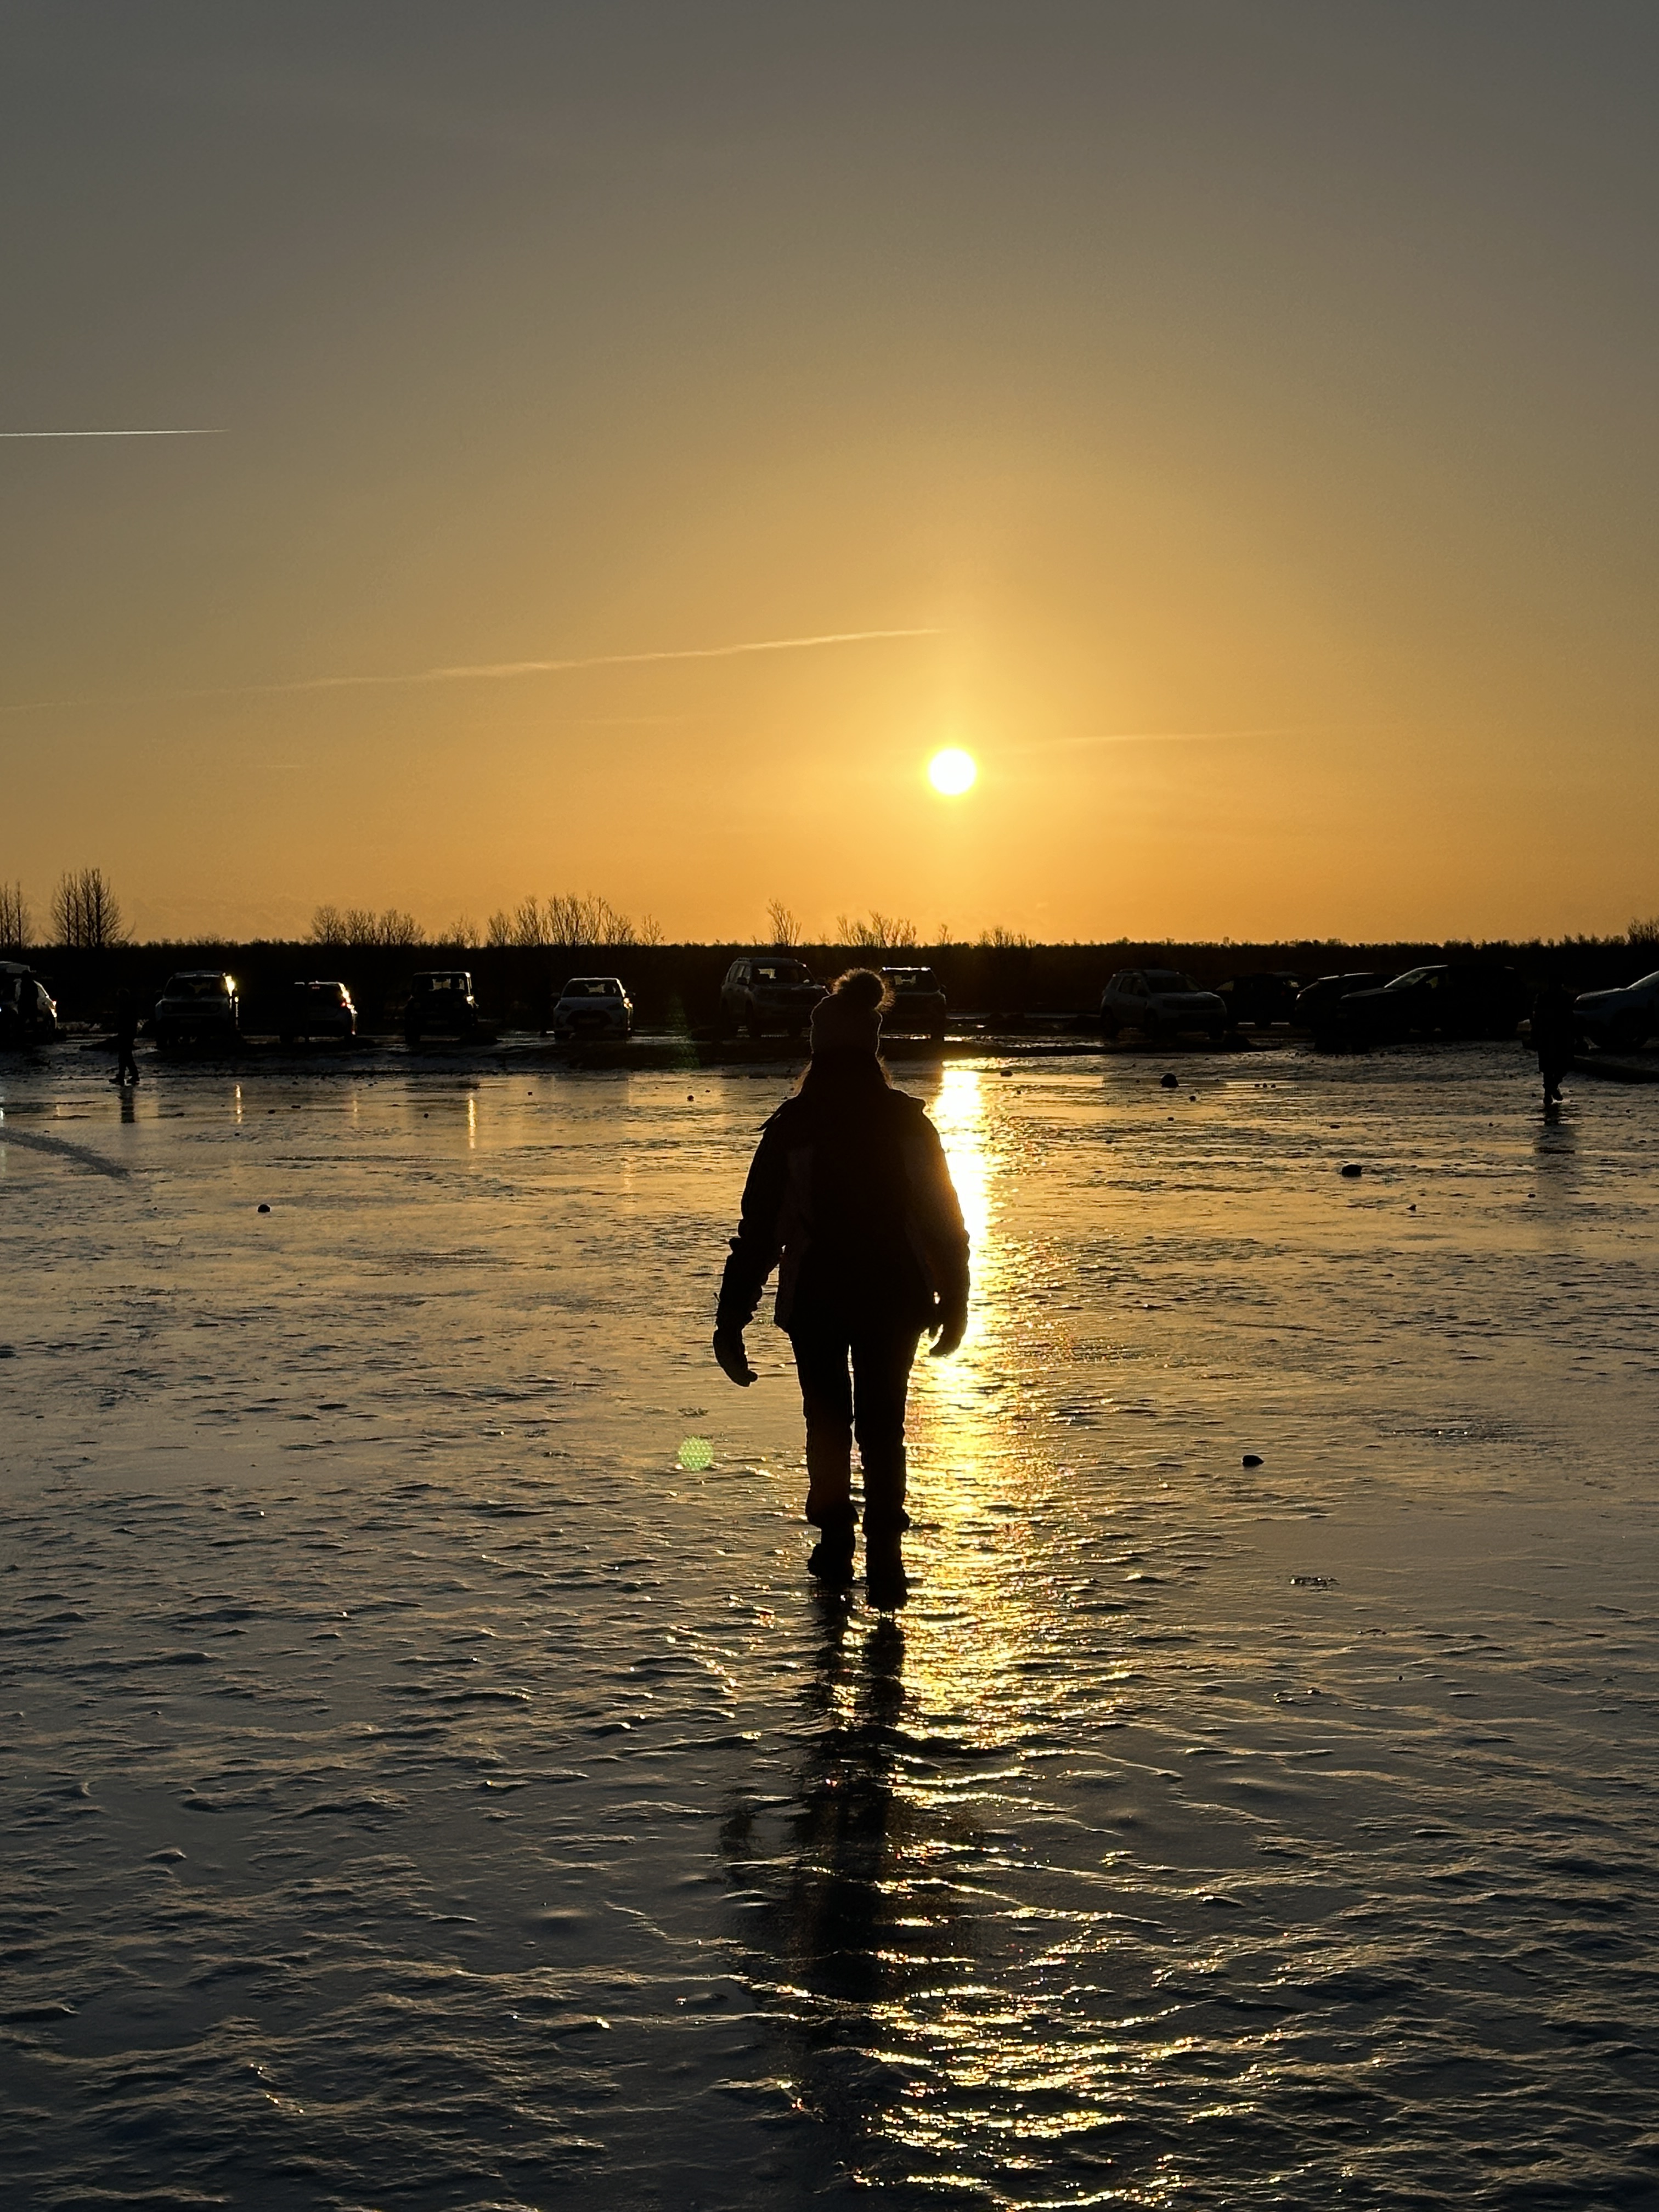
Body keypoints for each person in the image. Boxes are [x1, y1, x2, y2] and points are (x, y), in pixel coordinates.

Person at [713, 969, 969, 1606]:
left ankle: (835, 1544)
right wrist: (954, 1299)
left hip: (820, 1300)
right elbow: (945, 1224)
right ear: (870, 1049)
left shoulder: (793, 1126)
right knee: (884, 1427)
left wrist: (731, 1320)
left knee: (827, 1421)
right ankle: (885, 1555)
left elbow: (759, 1234)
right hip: (896, 1297)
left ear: (817, 1049)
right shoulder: (909, 1124)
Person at [1531, 980, 1577, 1110]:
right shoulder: (1560, 998)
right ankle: (1550, 1090)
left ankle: (1550, 1090)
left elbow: (1537, 1018)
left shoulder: (1545, 998)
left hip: (1552, 1036)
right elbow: (1571, 1017)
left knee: (1551, 1067)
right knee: (1557, 1066)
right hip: (1558, 1036)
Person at [111, 989, 140, 1088]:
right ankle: (124, 1075)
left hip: (126, 1033)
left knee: (125, 1055)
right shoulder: (129, 1006)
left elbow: (125, 1021)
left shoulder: (126, 1007)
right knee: (125, 1055)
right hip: (127, 1033)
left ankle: (132, 1075)